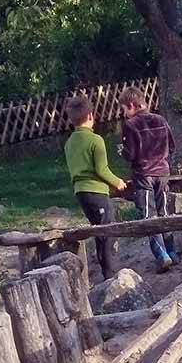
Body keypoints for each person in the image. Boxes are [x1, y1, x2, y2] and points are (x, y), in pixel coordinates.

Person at [63, 95, 126, 280]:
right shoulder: (95, 140)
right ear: (91, 115)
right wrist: (117, 182)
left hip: (80, 192)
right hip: (96, 191)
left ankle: (104, 269)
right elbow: (101, 169)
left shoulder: (69, 143)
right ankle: (110, 273)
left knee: (98, 230)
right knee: (107, 230)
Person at [118, 86, 180, 273]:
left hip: (144, 175)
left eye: (123, 109)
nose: (123, 113)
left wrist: (122, 150)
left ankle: (162, 255)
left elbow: (132, 155)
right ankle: (173, 251)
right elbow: (172, 146)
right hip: (162, 173)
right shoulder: (161, 119)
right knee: (164, 212)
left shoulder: (131, 125)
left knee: (148, 215)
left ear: (131, 105)